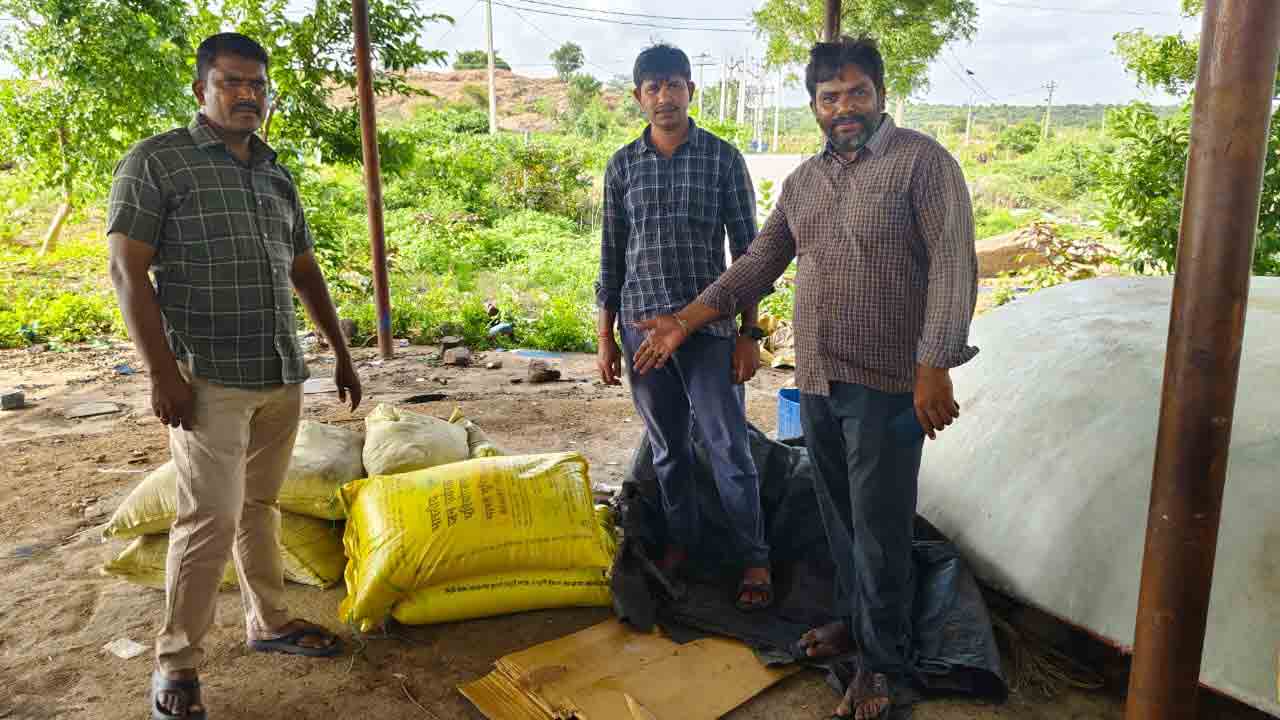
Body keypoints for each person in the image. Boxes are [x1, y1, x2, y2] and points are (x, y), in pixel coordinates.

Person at [630, 36, 979, 719]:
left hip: (889, 384)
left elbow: (952, 266)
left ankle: (884, 666)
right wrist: (687, 320)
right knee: (841, 522)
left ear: (879, 95)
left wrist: (935, 364)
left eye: (857, 94)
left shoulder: (922, 165)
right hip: (819, 379)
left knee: (880, 529)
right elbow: (758, 261)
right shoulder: (805, 182)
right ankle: (857, 625)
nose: (843, 108)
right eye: (830, 98)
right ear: (815, 106)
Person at [107, 32, 362, 719]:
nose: (247, 95)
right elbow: (128, 273)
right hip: (207, 377)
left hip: (279, 370)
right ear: (201, 90)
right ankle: (176, 665)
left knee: (259, 507)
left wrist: (338, 352)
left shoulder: (276, 174)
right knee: (207, 520)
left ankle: (269, 622)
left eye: (257, 85)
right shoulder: (158, 162)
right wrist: (163, 374)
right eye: (231, 83)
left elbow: (303, 271)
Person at [595, 43, 774, 610]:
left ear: (691, 91)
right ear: (639, 98)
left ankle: (754, 557)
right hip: (643, 333)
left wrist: (750, 332)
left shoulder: (721, 158)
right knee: (668, 448)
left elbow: (750, 251)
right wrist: (605, 336)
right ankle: (683, 547)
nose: (665, 97)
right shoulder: (623, 165)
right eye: (654, 87)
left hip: (711, 328)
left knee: (727, 446)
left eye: (675, 85)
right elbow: (612, 254)